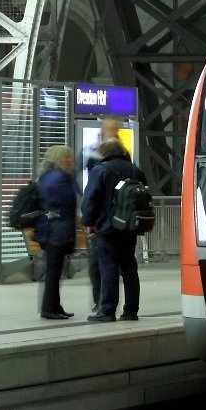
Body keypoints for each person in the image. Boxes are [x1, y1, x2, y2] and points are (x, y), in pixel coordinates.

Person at [82, 138, 148, 322]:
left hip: (108, 227)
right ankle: (131, 310)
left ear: (104, 153)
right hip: (130, 226)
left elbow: (91, 199)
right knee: (129, 266)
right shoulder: (136, 170)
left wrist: (89, 222)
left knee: (109, 266)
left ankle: (107, 311)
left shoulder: (101, 170)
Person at [33, 145, 79, 320]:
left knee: (55, 269)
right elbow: (61, 205)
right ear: (58, 159)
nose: (69, 161)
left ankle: (54, 306)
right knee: (53, 271)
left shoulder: (47, 177)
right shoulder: (58, 178)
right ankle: (49, 309)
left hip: (51, 228)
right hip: (56, 230)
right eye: (66, 158)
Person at [84, 116, 122, 311]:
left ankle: (106, 304)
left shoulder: (120, 153)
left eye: (114, 128)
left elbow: (92, 192)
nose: (112, 131)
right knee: (101, 264)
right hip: (110, 217)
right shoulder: (96, 154)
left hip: (108, 219)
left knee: (108, 263)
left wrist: (89, 219)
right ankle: (101, 299)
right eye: (109, 128)